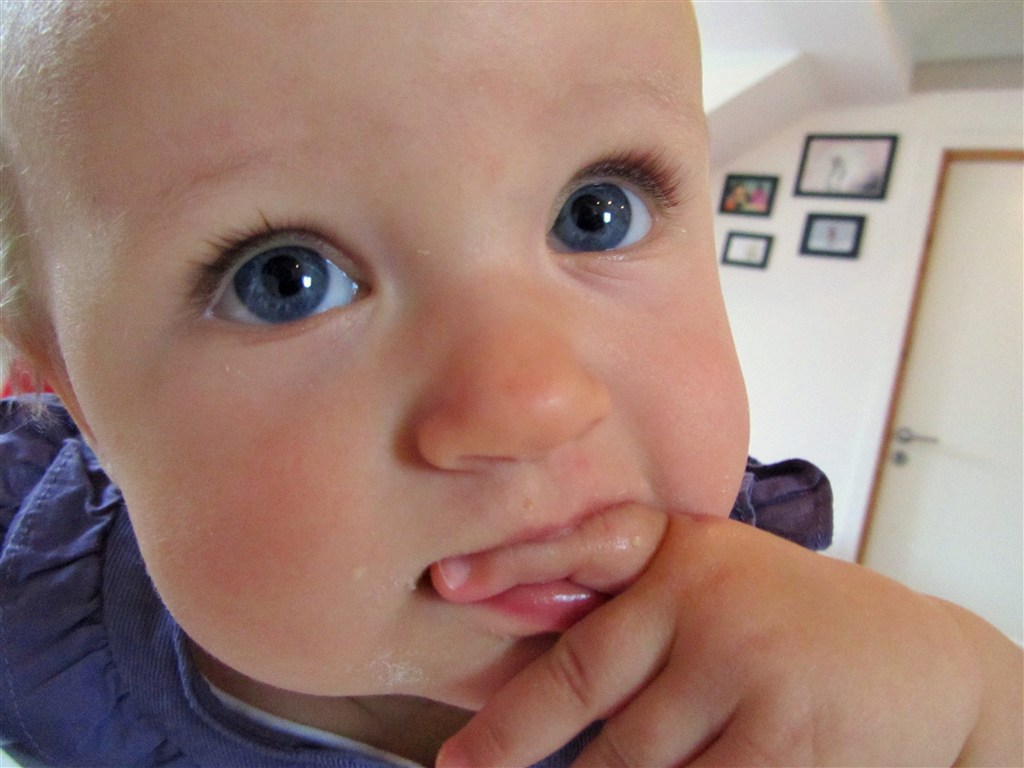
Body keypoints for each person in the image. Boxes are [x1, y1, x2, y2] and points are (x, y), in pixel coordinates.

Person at [0, 2, 1020, 766]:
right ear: (57, 383)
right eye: (286, 281)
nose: (536, 405)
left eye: (596, 213)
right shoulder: (27, 601)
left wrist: (971, 702)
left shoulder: (778, 649)